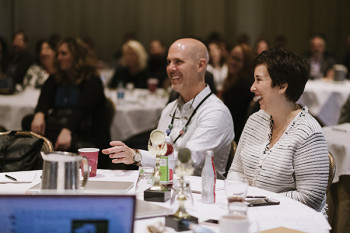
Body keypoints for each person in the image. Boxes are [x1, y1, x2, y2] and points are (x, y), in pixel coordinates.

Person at [103, 38, 234, 179]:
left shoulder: (215, 112)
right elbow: (157, 155)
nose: (170, 68)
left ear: (200, 65)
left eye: (178, 62)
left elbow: (188, 162)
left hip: (201, 195)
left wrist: (137, 156)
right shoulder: (170, 109)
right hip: (166, 186)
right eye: (169, 62)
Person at [227, 48, 329, 211]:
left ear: (282, 86)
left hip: (293, 221)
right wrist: (242, 194)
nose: (252, 88)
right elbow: (236, 171)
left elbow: (310, 198)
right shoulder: (255, 120)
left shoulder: (309, 134)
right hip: (252, 213)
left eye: (258, 80)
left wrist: (257, 197)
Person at [22, 38, 110, 167]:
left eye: (64, 54)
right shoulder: (55, 78)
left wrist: (67, 130)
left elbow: (81, 110)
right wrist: (39, 114)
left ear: (77, 56)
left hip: (84, 130)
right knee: (29, 121)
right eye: (58, 54)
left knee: (52, 132)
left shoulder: (92, 81)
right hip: (61, 126)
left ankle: (73, 147)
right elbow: (44, 99)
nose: (59, 58)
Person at [221, 44, 254, 142]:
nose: (232, 62)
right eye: (232, 58)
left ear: (246, 63)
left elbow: (233, 116)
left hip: (237, 137)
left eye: (237, 60)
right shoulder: (231, 81)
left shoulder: (246, 86)